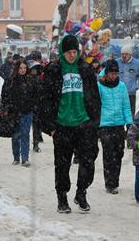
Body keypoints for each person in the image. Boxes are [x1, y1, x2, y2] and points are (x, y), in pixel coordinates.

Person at [38, 35, 101, 214]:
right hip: (62, 124)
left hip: (84, 123)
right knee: (62, 164)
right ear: (62, 52)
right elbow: (45, 99)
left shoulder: (86, 69)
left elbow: (94, 97)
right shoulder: (54, 70)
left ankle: (81, 191)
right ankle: (62, 197)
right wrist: (50, 125)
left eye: (75, 52)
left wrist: (94, 120)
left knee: (89, 160)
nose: (72, 55)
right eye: (68, 52)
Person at [97, 59, 133, 194]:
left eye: (116, 73)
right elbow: (97, 106)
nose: (113, 76)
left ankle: (115, 180)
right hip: (105, 125)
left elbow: (126, 105)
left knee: (119, 153)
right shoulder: (99, 86)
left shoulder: (122, 86)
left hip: (119, 125)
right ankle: (110, 183)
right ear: (106, 73)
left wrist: (129, 123)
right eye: (111, 73)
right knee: (108, 153)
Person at [2, 60, 37, 166]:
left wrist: (32, 106)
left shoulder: (30, 80)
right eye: (21, 68)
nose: (22, 70)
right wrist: (8, 107)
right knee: (16, 136)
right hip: (14, 113)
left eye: (24, 68)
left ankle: (25, 158)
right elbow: (5, 95)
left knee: (25, 134)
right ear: (17, 68)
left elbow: (35, 95)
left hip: (27, 112)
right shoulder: (10, 81)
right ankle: (16, 157)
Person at [118, 44, 139, 114]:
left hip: (131, 93)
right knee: (119, 113)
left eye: (126, 54)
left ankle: (130, 124)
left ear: (130, 54)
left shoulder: (137, 63)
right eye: (122, 54)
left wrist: (137, 86)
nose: (124, 56)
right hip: (119, 93)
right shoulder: (117, 62)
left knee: (130, 113)